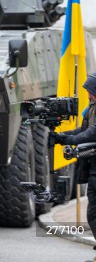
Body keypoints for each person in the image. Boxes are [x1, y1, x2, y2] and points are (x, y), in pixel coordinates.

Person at [52, 72, 96, 239]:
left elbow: (93, 133)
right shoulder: (91, 107)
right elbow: (83, 130)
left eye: (90, 90)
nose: (88, 94)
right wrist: (62, 136)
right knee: (92, 215)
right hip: (92, 167)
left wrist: (71, 139)